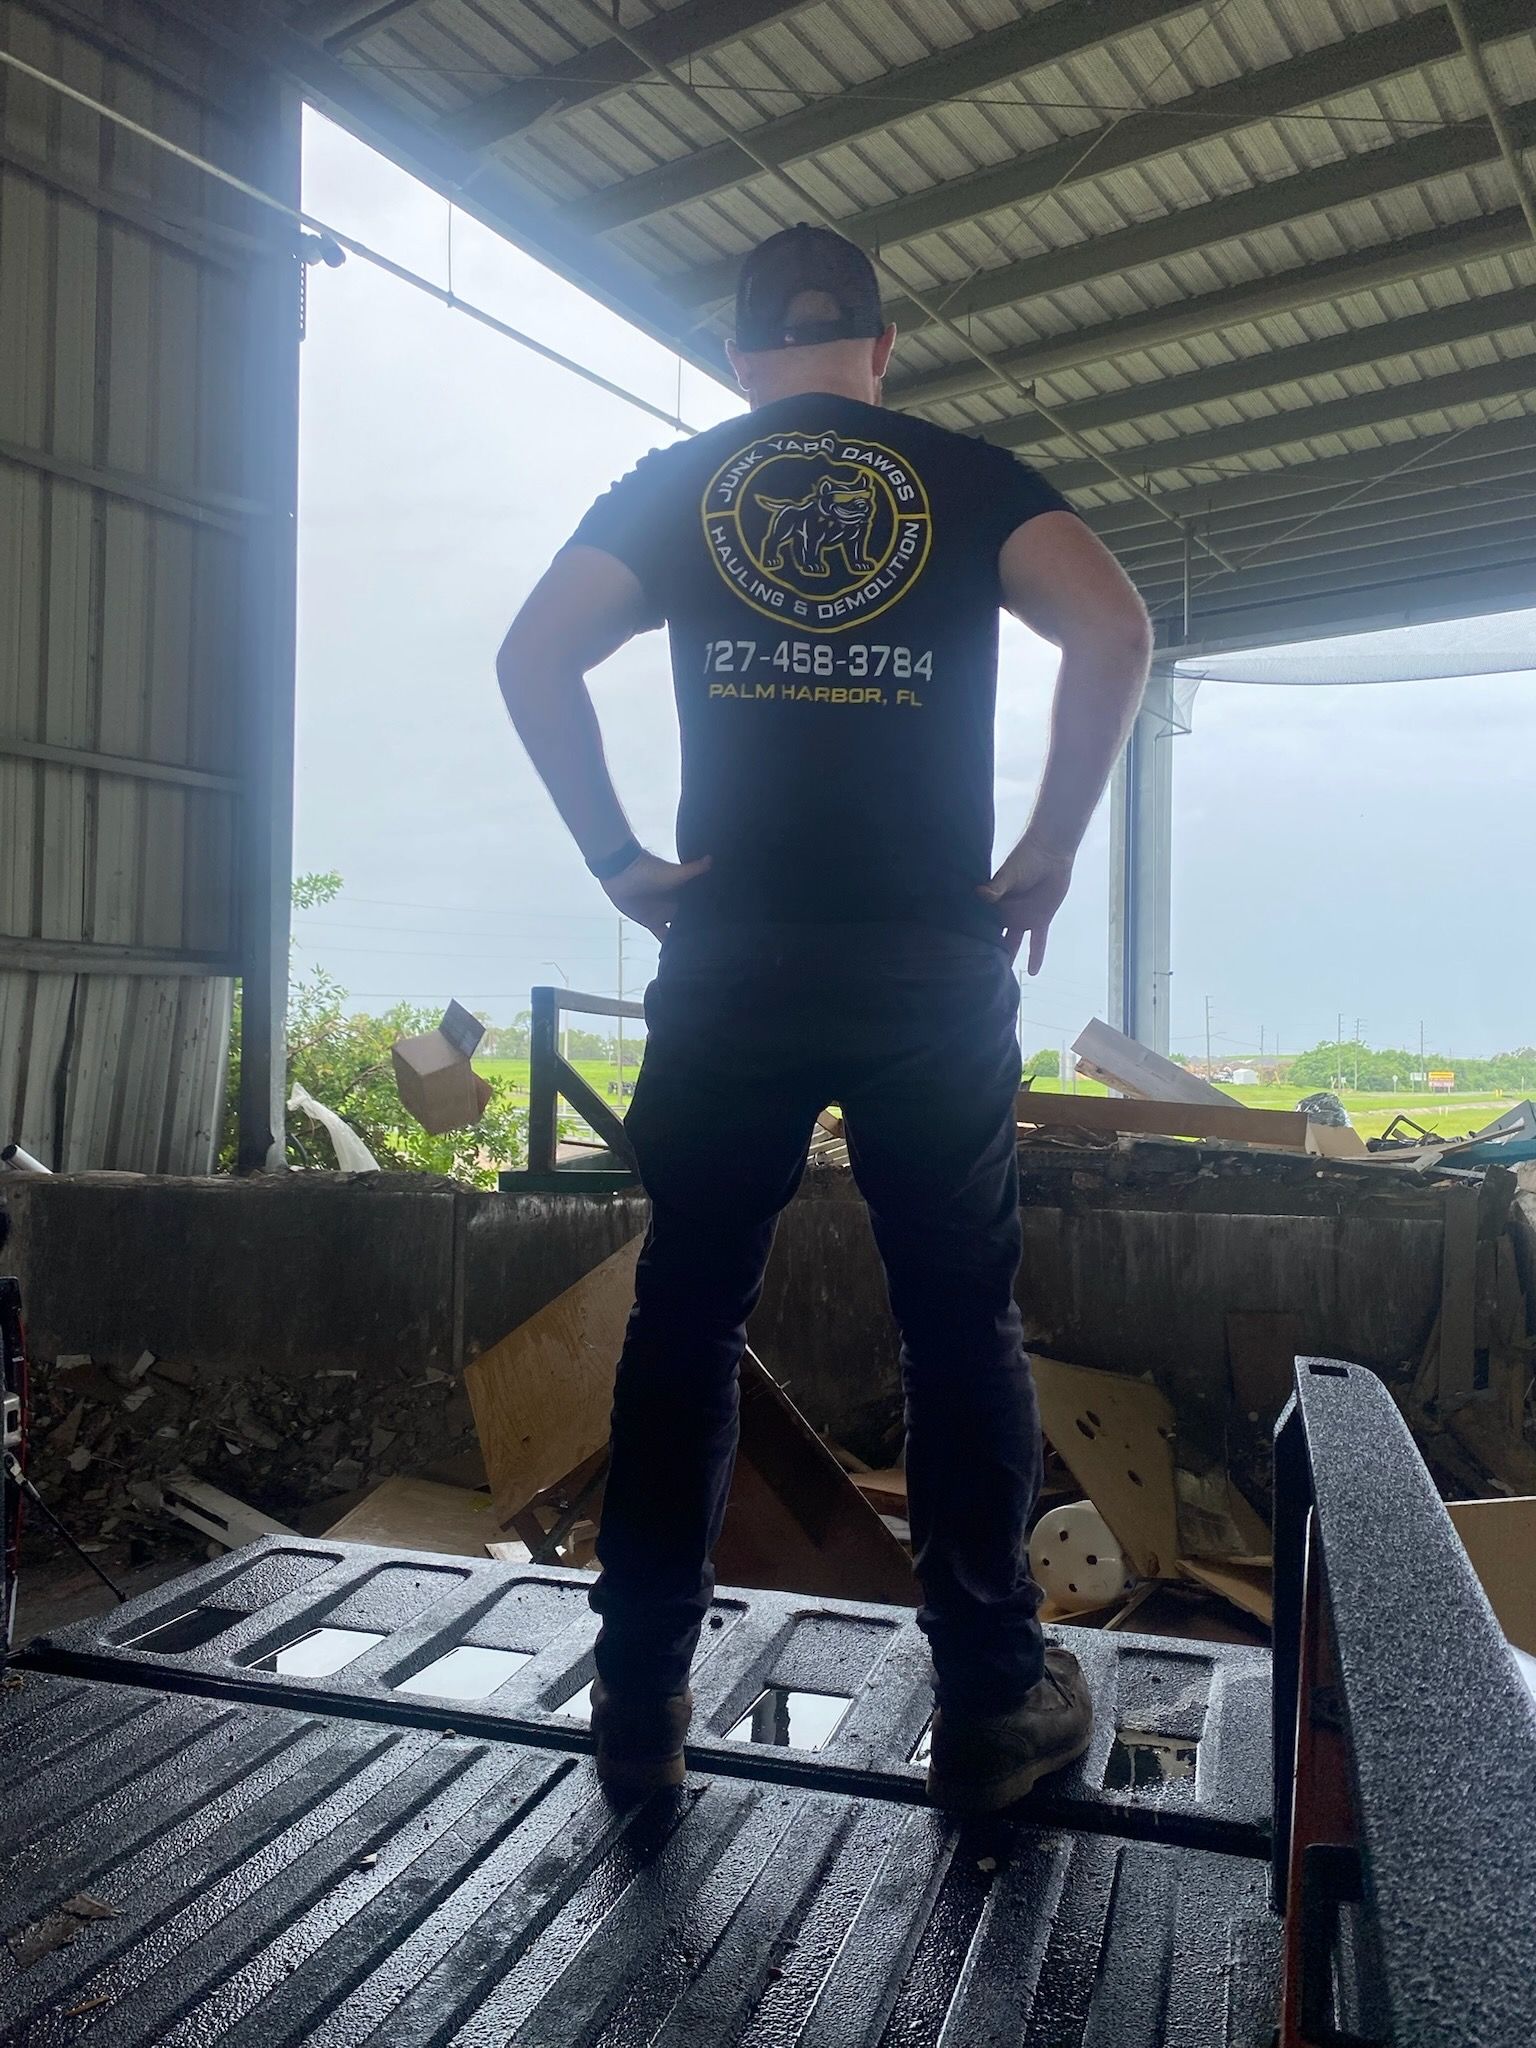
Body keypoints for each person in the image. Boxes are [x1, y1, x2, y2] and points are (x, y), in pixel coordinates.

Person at [497, 224, 1151, 1812]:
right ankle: (997, 1697)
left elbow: (532, 658)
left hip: (729, 956)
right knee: (957, 1330)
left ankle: (640, 1693)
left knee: (686, 1316)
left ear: (735, 360)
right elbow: (1115, 629)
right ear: (881, 346)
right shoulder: (963, 473)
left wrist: (618, 862)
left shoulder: (679, 486)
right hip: (930, 961)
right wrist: (1049, 848)